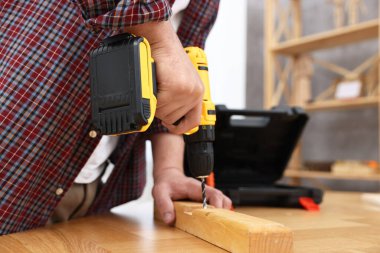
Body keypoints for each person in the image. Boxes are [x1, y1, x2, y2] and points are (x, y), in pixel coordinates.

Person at [0, 0, 232, 235]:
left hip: (89, 189)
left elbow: (176, 89)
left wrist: (169, 170)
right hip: (15, 159)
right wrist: (160, 37)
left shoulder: (206, 4)